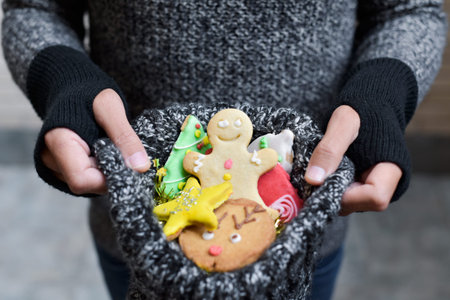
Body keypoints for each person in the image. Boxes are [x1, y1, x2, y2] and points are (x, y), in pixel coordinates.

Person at [2, 1, 447, 299]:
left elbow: (410, 9)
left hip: (302, 231)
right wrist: (67, 82)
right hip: (139, 230)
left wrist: (381, 94)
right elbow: (34, 7)